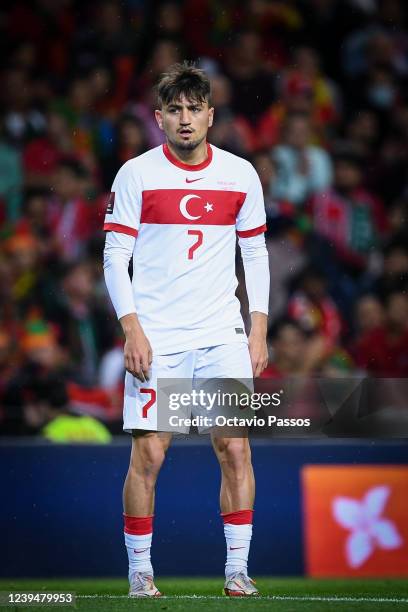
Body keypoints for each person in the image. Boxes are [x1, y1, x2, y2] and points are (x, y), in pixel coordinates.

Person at [103, 62, 270, 597]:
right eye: (174, 109)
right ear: (158, 117)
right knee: (149, 455)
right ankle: (139, 574)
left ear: (210, 115)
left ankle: (237, 571)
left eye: (194, 108)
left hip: (222, 333)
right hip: (159, 336)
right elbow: (115, 256)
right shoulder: (137, 174)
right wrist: (132, 329)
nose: (184, 119)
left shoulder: (240, 174)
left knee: (235, 447)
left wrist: (259, 329)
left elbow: (256, 253)